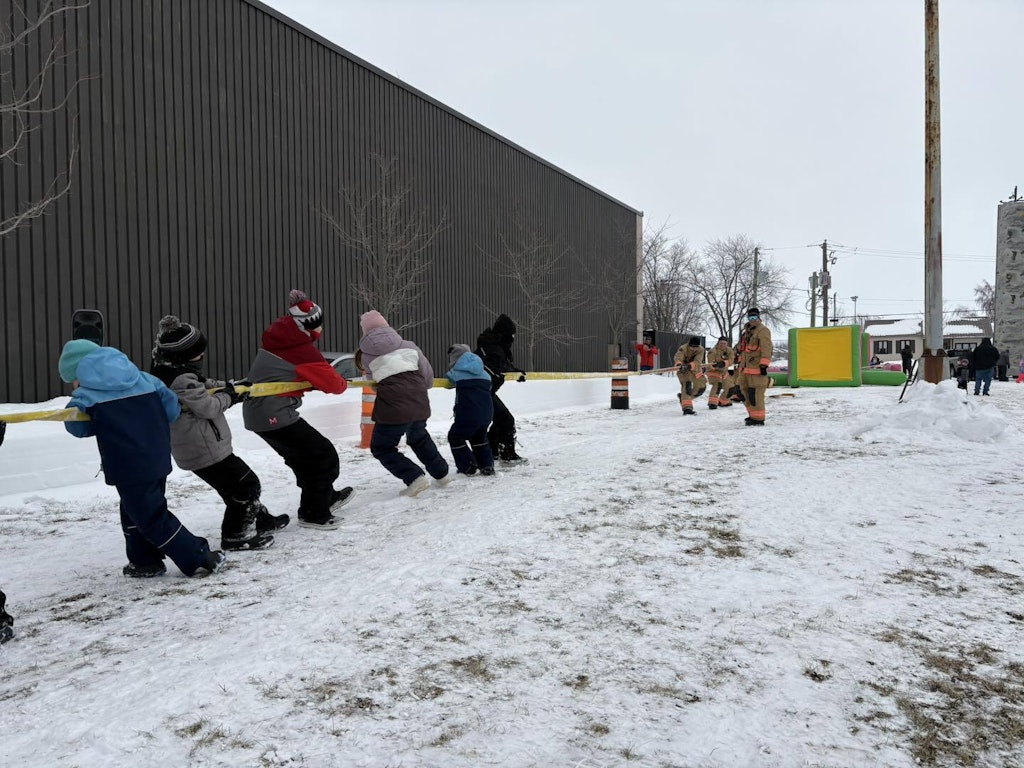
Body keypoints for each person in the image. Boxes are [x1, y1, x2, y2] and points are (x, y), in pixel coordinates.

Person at [58, 339, 225, 578]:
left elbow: (77, 429)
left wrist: (86, 408)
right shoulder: (146, 379)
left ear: (80, 372)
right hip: (157, 455)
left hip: (127, 465)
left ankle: (199, 556)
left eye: (73, 380)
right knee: (134, 510)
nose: (74, 385)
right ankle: (144, 561)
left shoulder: (86, 395)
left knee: (151, 517)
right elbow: (172, 410)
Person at [152, 315, 286, 551]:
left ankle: (261, 520)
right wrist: (232, 396)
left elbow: (204, 384)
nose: (201, 357)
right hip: (203, 448)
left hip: (204, 445)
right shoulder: (180, 380)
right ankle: (234, 536)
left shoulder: (171, 371)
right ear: (182, 356)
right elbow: (208, 406)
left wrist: (229, 385)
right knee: (246, 485)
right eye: (197, 353)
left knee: (234, 488)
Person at [243, 290, 355, 530]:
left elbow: (286, 373)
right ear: (311, 325)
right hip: (273, 413)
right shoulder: (300, 349)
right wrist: (339, 381)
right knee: (322, 455)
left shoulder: (282, 338)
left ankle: (323, 498)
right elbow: (336, 385)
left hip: (263, 412)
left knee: (305, 459)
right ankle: (314, 513)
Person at [358, 310, 450, 496]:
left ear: (365, 332)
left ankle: (414, 477)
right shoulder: (409, 346)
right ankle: (441, 474)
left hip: (393, 407)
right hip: (419, 401)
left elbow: (374, 382)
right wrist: (420, 389)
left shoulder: (366, 354)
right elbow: (427, 374)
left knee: (381, 447)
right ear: (386, 325)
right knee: (419, 437)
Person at [476, 314, 528, 463]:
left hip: (485, 390)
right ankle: (507, 454)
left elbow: (501, 365)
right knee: (506, 419)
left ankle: (493, 450)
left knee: (501, 419)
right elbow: (493, 370)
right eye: (511, 334)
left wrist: (516, 372)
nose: (512, 338)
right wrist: (498, 376)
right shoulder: (494, 348)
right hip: (482, 390)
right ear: (504, 334)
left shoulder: (494, 345)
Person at [445, 343, 495, 476]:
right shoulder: (484, 373)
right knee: (479, 437)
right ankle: (487, 465)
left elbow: (449, 379)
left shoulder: (456, 372)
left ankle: (468, 466)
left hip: (468, 413)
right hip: (487, 413)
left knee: (455, 436)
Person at [736, 307, 773, 426]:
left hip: (757, 370)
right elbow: (741, 348)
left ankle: (758, 419)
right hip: (744, 370)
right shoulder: (747, 332)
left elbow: (767, 348)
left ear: (758, 317)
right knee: (741, 392)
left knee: (755, 395)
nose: (752, 320)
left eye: (754, 317)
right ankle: (753, 415)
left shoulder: (763, 331)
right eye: (750, 317)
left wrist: (764, 364)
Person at [674, 336, 705, 415]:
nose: (694, 349)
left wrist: (690, 366)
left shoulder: (701, 350)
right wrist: (679, 365)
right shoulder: (683, 348)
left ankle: (683, 398)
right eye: (692, 347)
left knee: (701, 387)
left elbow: (698, 361)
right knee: (687, 385)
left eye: (696, 347)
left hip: (694, 369)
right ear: (689, 345)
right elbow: (678, 358)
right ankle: (687, 408)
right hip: (683, 370)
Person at [705, 336, 734, 410]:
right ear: (718, 342)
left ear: (727, 343)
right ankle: (712, 403)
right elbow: (710, 362)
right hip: (713, 371)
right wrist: (715, 364)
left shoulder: (729, 351)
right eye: (721, 343)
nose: (723, 345)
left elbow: (731, 360)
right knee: (717, 384)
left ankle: (722, 402)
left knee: (731, 388)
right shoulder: (713, 351)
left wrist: (725, 363)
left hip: (723, 372)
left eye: (724, 343)